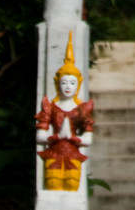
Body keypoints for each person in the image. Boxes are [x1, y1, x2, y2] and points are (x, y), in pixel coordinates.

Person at [35, 31, 94, 191]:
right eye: (64, 83)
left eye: (72, 83)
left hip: (73, 153)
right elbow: (40, 137)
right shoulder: (50, 107)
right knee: (52, 183)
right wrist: (56, 136)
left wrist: (74, 138)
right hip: (54, 152)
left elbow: (88, 139)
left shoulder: (82, 109)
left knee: (71, 185)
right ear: (57, 84)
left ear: (78, 84)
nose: (68, 87)